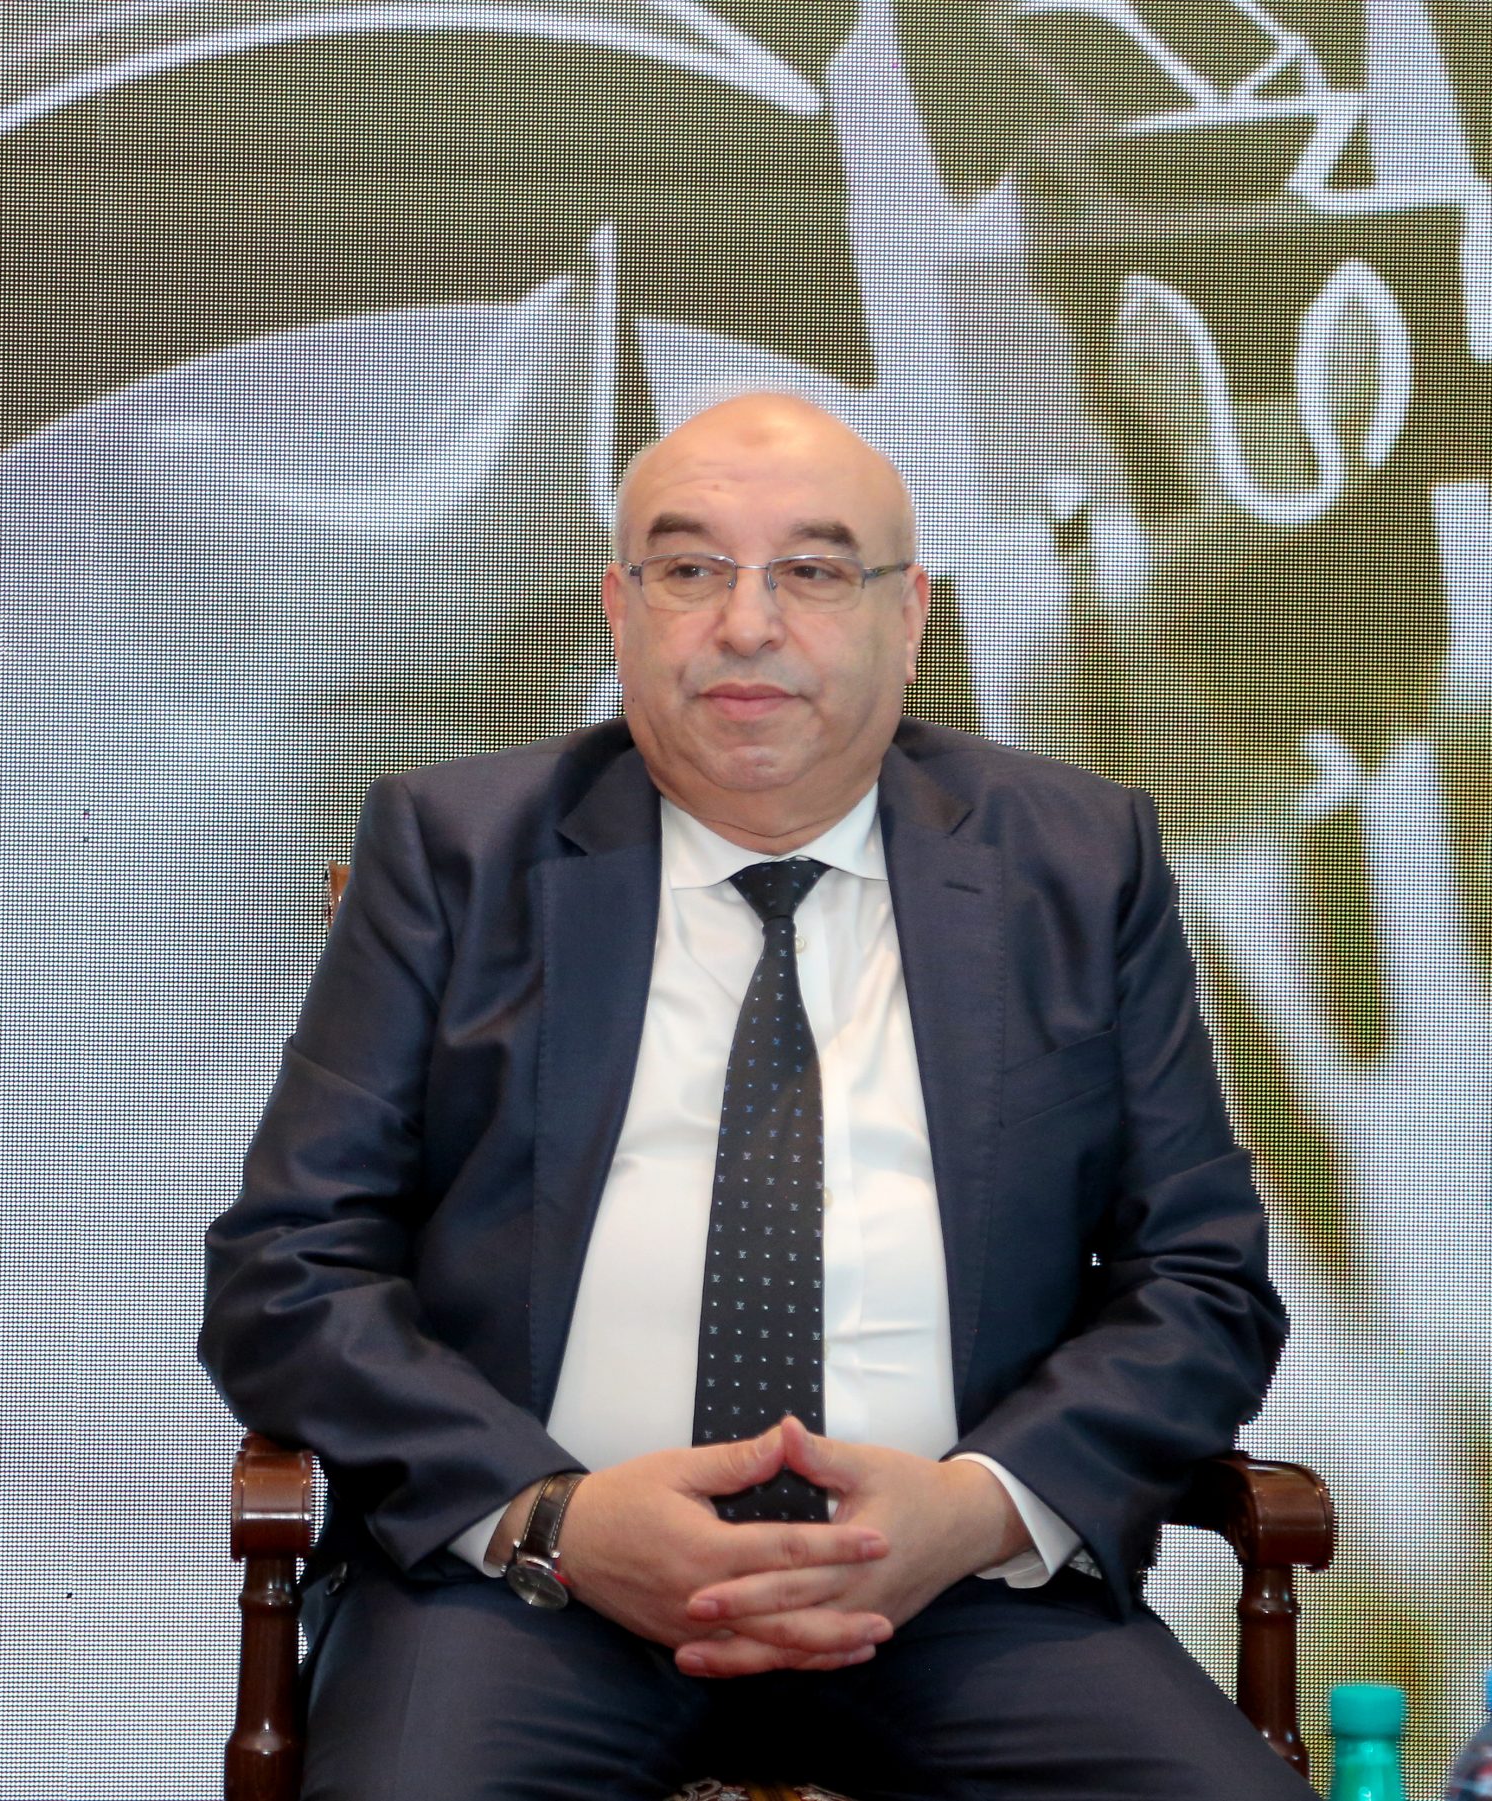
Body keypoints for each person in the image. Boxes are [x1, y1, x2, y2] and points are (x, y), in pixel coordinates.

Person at [198, 392, 1304, 1799]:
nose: (746, 623)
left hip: (961, 1591)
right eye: (690, 568)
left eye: (815, 571)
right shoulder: (455, 850)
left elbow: (1203, 1284)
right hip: (532, 1591)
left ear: (909, 617)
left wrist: (974, 1510)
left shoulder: (1078, 862)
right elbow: (287, 1270)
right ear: (620, 610)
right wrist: (554, 1516)